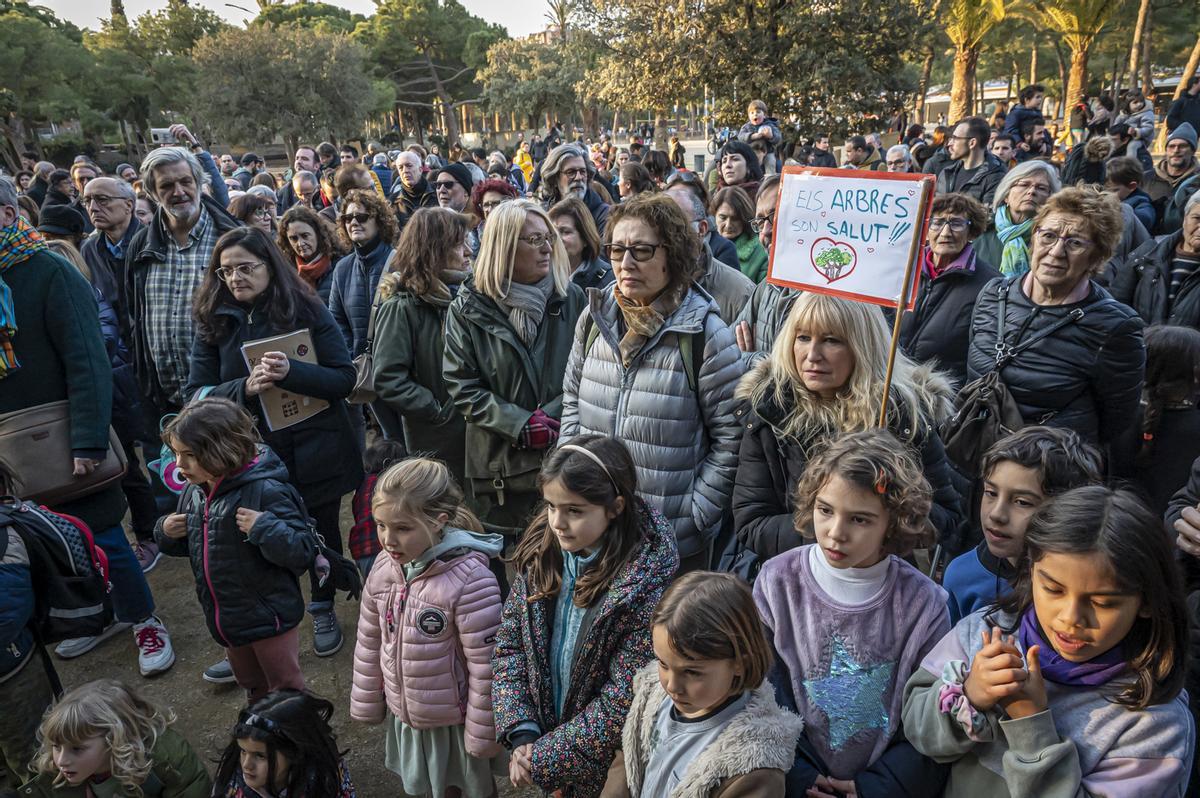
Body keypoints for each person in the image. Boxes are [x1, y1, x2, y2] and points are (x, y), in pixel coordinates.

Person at [903, 486, 1194, 796]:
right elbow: (916, 724)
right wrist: (971, 695)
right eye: (1054, 590)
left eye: (1103, 602)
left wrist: (1032, 726)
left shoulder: (1153, 724)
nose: (1070, 618)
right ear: (1032, 571)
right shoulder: (985, 631)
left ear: (1147, 601)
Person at [0, 178, 175, 676]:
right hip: (7, 447)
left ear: (9, 215)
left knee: (104, 536)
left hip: (62, 436)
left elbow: (87, 362)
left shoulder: (49, 270)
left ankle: (143, 620)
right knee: (41, 540)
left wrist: (89, 438)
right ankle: (97, 616)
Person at [186, 227, 361, 659]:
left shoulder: (305, 308)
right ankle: (262, 630)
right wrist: (244, 388)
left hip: (317, 445)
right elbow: (195, 392)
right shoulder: (214, 318)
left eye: (246, 267)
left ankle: (322, 603)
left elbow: (344, 377)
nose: (235, 278)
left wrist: (293, 373)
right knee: (254, 536)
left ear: (270, 266)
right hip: (247, 457)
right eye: (225, 271)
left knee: (318, 530)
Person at [754, 430, 951, 796]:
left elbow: (930, 721)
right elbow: (759, 694)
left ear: (894, 522)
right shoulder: (777, 581)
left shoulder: (926, 605)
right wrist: (797, 775)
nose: (835, 533)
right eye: (825, 510)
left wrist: (876, 787)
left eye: (859, 519)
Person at [560, 193, 743, 572]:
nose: (625, 264)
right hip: (598, 530)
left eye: (641, 250)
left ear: (671, 254)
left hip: (669, 543)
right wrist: (570, 480)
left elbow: (732, 437)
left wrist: (695, 514)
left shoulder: (705, 334)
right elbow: (572, 402)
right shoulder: (593, 320)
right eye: (616, 250)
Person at [492, 436, 680, 797]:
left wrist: (542, 757)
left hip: (608, 766)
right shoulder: (541, 555)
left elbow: (622, 698)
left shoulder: (643, 586)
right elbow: (509, 647)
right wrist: (523, 732)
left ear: (615, 507)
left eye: (574, 511)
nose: (557, 522)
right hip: (544, 741)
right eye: (550, 506)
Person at [734, 292, 963, 566]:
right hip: (795, 575)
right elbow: (752, 522)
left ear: (862, 346)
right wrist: (831, 536)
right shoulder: (769, 410)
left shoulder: (905, 416)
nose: (812, 355)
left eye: (831, 340)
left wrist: (888, 520)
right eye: (803, 337)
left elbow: (948, 517)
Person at [350, 457, 504, 797]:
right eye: (380, 525)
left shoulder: (470, 580)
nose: (388, 540)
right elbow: (369, 638)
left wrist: (482, 731)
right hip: (409, 714)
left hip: (454, 721)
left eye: (403, 528)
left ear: (439, 522)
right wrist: (367, 700)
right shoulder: (382, 567)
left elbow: (487, 665)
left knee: (469, 790)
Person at [968, 186, 1146, 477]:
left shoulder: (1115, 327)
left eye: (1074, 243)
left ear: (1097, 257)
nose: (1056, 252)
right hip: (977, 461)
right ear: (1033, 238)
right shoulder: (992, 293)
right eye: (1048, 236)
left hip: (1048, 475)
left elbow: (1115, 421)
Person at [156, 397, 315, 701]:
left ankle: (298, 735)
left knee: (285, 686)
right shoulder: (195, 492)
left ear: (221, 449)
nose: (178, 465)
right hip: (227, 619)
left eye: (189, 454)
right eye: (176, 454)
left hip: (270, 619)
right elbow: (197, 546)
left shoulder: (266, 490)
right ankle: (259, 738)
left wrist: (265, 529)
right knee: (251, 684)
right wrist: (165, 532)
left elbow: (301, 552)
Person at [443, 199, 586, 536]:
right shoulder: (467, 308)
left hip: (564, 457)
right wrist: (518, 423)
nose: (547, 248)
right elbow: (461, 385)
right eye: (534, 240)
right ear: (504, 246)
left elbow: (589, 371)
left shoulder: (573, 298)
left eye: (548, 237)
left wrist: (550, 416)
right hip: (499, 471)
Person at [600, 571, 804, 797]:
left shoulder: (753, 767)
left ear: (739, 663)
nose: (672, 686)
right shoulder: (651, 696)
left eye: (692, 672)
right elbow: (628, 759)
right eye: (663, 663)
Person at [126, 146, 241, 432]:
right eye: (166, 185)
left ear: (199, 183)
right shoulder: (141, 246)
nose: (178, 191)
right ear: (153, 193)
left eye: (185, 181)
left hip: (225, 400)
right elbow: (133, 316)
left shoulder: (231, 238)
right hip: (165, 402)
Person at [942, 427, 1102, 624]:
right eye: (991, 492)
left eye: (1022, 502)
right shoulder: (962, 575)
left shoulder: (1092, 581)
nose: (997, 514)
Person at [372, 208, 472, 481]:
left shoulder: (466, 296)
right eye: (458, 244)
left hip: (473, 436)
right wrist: (436, 409)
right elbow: (388, 377)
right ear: (434, 250)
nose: (468, 252)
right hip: (436, 440)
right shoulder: (402, 307)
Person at [21, 679, 210, 797]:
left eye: (77, 748)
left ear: (113, 739)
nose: (61, 760)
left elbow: (193, 789)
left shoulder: (168, 760)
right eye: (56, 746)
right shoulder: (53, 776)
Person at [896, 193, 1003, 388]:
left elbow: (983, 354)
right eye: (937, 223)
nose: (945, 232)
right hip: (892, 381)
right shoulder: (903, 268)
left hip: (944, 392)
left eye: (956, 223)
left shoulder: (991, 284)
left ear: (972, 232)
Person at [214, 690, 357, 798]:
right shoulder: (229, 785)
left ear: (294, 752)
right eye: (243, 751)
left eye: (260, 756)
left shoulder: (326, 776)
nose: (246, 764)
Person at [1125, 325, 1200, 517]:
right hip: (1169, 532)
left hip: (1118, 525)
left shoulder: (1119, 416)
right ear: (1194, 374)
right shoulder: (1193, 426)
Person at [664, 184, 754, 325]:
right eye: (659, 227)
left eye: (677, 227)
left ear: (702, 229)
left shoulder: (741, 294)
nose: (666, 237)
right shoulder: (638, 284)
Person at [1113, 190, 1200, 330]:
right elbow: (1117, 304)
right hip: (1138, 346)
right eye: (1196, 218)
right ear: (1185, 219)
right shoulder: (1148, 253)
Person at [329, 188, 396, 360]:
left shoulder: (399, 262)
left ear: (380, 221)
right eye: (348, 218)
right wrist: (352, 356)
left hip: (396, 366)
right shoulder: (342, 268)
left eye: (361, 217)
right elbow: (337, 321)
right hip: (359, 369)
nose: (353, 223)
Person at [973, 159, 1061, 276]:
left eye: (1041, 188)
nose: (1031, 191)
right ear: (1006, 195)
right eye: (1024, 185)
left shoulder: (1055, 238)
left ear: (1050, 199)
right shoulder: (980, 228)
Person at [276, 204, 343, 305]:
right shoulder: (285, 270)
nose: (300, 243)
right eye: (293, 238)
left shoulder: (340, 265)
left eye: (305, 236)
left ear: (318, 233)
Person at [539, 144, 610, 236]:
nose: (578, 177)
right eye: (570, 172)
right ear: (554, 178)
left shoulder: (604, 215)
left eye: (583, 171)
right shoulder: (543, 214)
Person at [936, 116, 1007, 206]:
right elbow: (937, 211)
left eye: (955, 138)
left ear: (972, 143)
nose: (949, 144)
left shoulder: (995, 177)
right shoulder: (947, 173)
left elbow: (988, 217)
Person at [549, 196, 613, 290]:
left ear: (585, 238)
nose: (557, 239)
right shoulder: (543, 275)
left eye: (565, 232)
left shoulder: (607, 280)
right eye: (552, 233)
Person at [1145, 122, 1199, 235]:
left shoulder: (1197, 181)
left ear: (1193, 151)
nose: (1176, 150)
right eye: (1171, 146)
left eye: (1182, 146)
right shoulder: (1145, 178)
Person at [710, 186, 768, 283]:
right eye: (723, 218)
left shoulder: (761, 253)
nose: (728, 225)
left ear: (744, 219)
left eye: (735, 219)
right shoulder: (704, 246)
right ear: (714, 215)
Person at [467, 177, 519, 257]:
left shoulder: (520, 229)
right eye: (486, 205)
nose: (490, 209)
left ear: (508, 203)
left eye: (496, 203)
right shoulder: (477, 234)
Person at [1104, 154, 1157, 231]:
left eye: (1114, 190)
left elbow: (1146, 219)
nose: (1107, 194)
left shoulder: (1142, 203)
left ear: (1132, 186)